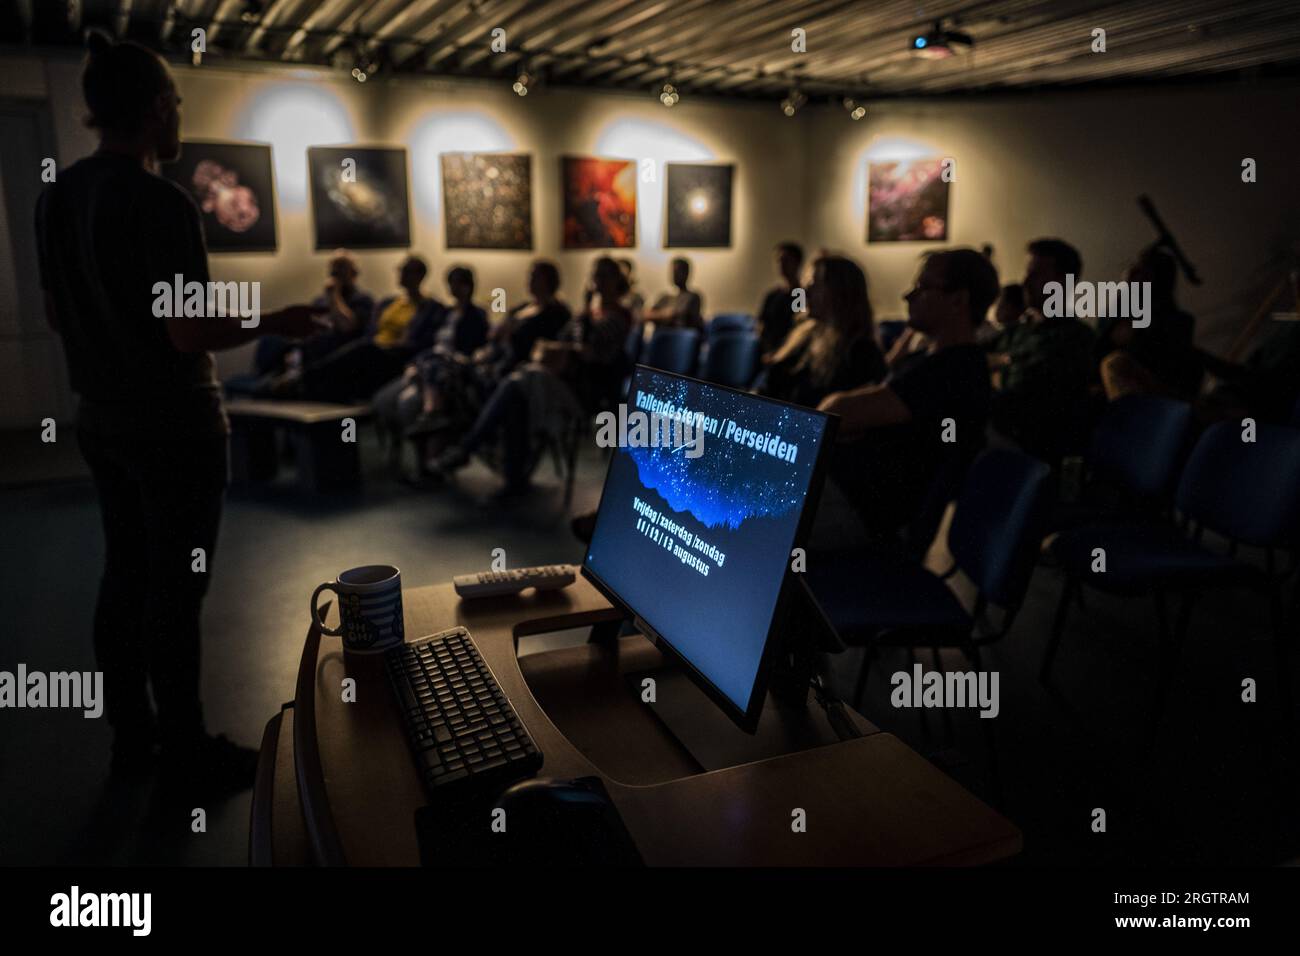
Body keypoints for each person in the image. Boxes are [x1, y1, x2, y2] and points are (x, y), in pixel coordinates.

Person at [34, 31, 321, 790]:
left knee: (123, 576)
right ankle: (188, 754)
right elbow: (187, 331)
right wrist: (275, 318)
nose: (180, 115)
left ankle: (136, 742)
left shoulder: (56, 197)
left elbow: (60, 317)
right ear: (158, 106)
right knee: (176, 591)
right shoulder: (161, 201)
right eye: (177, 102)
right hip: (174, 427)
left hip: (101, 419)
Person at [817, 248, 999, 550]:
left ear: (959, 300)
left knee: (739, 516)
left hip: (866, 516)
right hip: (845, 490)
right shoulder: (927, 359)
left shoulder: (956, 370)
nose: (907, 296)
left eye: (923, 287)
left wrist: (850, 416)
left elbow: (837, 414)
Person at [429, 256, 633, 497]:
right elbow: (561, 340)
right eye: (596, 275)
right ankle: (509, 476)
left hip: (586, 388)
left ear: (616, 280)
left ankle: (468, 449)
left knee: (519, 380)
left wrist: (566, 345)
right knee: (515, 392)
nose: (597, 281)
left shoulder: (618, 315)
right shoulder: (585, 312)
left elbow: (596, 356)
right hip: (558, 377)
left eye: (604, 276)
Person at [384, 261, 571, 467]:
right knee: (441, 366)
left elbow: (544, 347)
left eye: (536, 276)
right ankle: (436, 444)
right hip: (493, 362)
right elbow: (494, 336)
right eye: (530, 275)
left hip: (518, 369)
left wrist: (505, 336)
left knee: (445, 368)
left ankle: (447, 434)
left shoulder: (557, 312)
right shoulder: (521, 308)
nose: (530, 280)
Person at [988, 238, 1096, 465]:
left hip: (1033, 451)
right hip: (1000, 431)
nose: (1025, 281)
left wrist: (999, 366)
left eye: (1035, 275)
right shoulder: (1017, 330)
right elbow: (974, 362)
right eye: (1027, 273)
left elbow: (1023, 396)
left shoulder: (1076, 339)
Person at [280, 254, 442, 403]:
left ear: (419, 276)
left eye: (406, 271)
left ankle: (300, 379)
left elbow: (418, 341)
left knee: (362, 349)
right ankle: (294, 384)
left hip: (394, 355)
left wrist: (392, 346)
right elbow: (371, 330)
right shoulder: (389, 302)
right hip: (373, 348)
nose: (400, 274)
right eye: (400, 270)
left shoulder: (429, 306)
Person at [759, 254, 886, 408]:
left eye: (814, 285)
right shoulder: (805, 336)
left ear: (840, 293)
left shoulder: (861, 353)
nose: (805, 292)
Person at [1096, 245, 1201, 401]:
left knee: (1115, 363)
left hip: (1158, 395)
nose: (1133, 278)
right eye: (1134, 271)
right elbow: (1098, 352)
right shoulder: (1113, 317)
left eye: (1143, 273)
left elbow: (1173, 368)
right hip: (1113, 394)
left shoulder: (1178, 321)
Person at [755, 242, 804, 357]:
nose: (781, 264)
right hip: (769, 350)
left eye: (786, 260)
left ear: (797, 262)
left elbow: (798, 325)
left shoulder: (799, 294)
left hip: (790, 352)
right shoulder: (773, 295)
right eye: (779, 260)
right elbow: (762, 323)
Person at [643, 257, 704, 331]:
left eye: (678, 271)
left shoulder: (693, 297)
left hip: (680, 337)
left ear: (686, 273)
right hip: (662, 336)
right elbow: (646, 314)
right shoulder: (665, 297)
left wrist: (659, 315)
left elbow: (675, 315)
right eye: (673, 272)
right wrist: (663, 314)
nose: (675, 275)